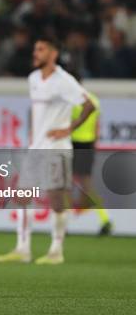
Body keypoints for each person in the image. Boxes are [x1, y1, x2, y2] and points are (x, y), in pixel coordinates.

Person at [0, 39, 96, 265]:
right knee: (22, 197)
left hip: (57, 150)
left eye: (40, 50)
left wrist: (68, 129)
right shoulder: (33, 78)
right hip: (37, 148)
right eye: (35, 49)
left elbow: (89, 105)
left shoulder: (64, 81)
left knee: (56, 199)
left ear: (53, 53)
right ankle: (23, 249)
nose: (35, 53)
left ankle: (56, 250)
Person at [69, 74, 112, 235]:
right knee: (85, 185)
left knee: (66, 183)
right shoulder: (94, 99)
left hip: (74, 143)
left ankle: (64, 223)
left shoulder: (72, 102)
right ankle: (105, 218)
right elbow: (97, 126)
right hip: (88, 144)